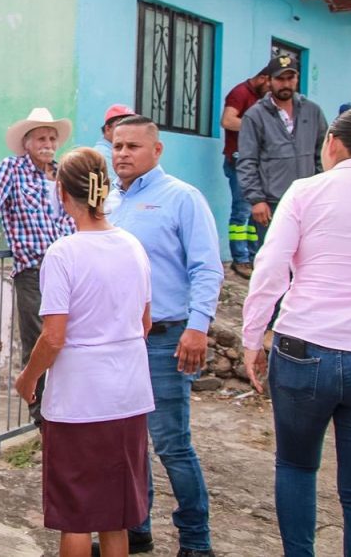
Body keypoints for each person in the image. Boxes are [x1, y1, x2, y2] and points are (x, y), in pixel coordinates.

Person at [242, 108, 351, 557]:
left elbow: (269, 267)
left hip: (304, 352)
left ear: (332, 143)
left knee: (296, 467)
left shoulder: (306, 190)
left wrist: (253, 338)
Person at [15, 147, 153, 557]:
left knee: (75, 514)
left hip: (79, 400)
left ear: (61, 192)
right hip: (128, 395)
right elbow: (144, 323)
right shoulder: (132, 245)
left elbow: (53, 336)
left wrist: (28, 378)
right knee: (116, 514)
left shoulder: (63, 254)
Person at [105, 115, 224, 557]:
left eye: (133, 146)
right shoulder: (110, 203)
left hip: (165, 339)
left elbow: (207, 267)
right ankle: (136, 530)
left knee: (172, 445)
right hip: (119, 341)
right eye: (117, 146)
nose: (122, 154)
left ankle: (196, 542)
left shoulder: (181, 198)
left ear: (156, 151)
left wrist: (198, 326)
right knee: (128, 443)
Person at [0, 107, 75, 423]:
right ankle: (41, 415)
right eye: (41, 137)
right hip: (34, 270)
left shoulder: (61, 174)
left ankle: (67, 407)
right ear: (26, 143)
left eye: (52, 138)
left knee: (69, 339)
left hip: (69, 269)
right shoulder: (12, 169)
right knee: (40, 340)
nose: (48, 144)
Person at [237, 55, 327, 245]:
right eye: (280, 79)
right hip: (272, 203)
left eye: (290, 78)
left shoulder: (313, 111)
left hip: (307, 201)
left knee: (306, 260)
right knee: (274, 261)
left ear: (296, 79)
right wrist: (256, 200)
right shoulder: (255, 115)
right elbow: (247, 160)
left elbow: (323, 153)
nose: (285, 84)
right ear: (269, 81)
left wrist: (319, 189)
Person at [220, 67, 269, 278]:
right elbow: (227, 120)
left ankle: (252, 257)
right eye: (270, 84)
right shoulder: (240, 93)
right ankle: (239, 259)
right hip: (239, 160)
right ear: (262, 78)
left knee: (254, 213)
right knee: (241, 212)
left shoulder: (263, 98)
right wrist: (257, 126)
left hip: (257, 163)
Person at [93, 104, 136, 181]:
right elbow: (113, 188)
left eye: (132, 125)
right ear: (108, 129)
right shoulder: (103, 154)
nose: (129, 130)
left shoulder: (117, 152)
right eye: (122, 125)